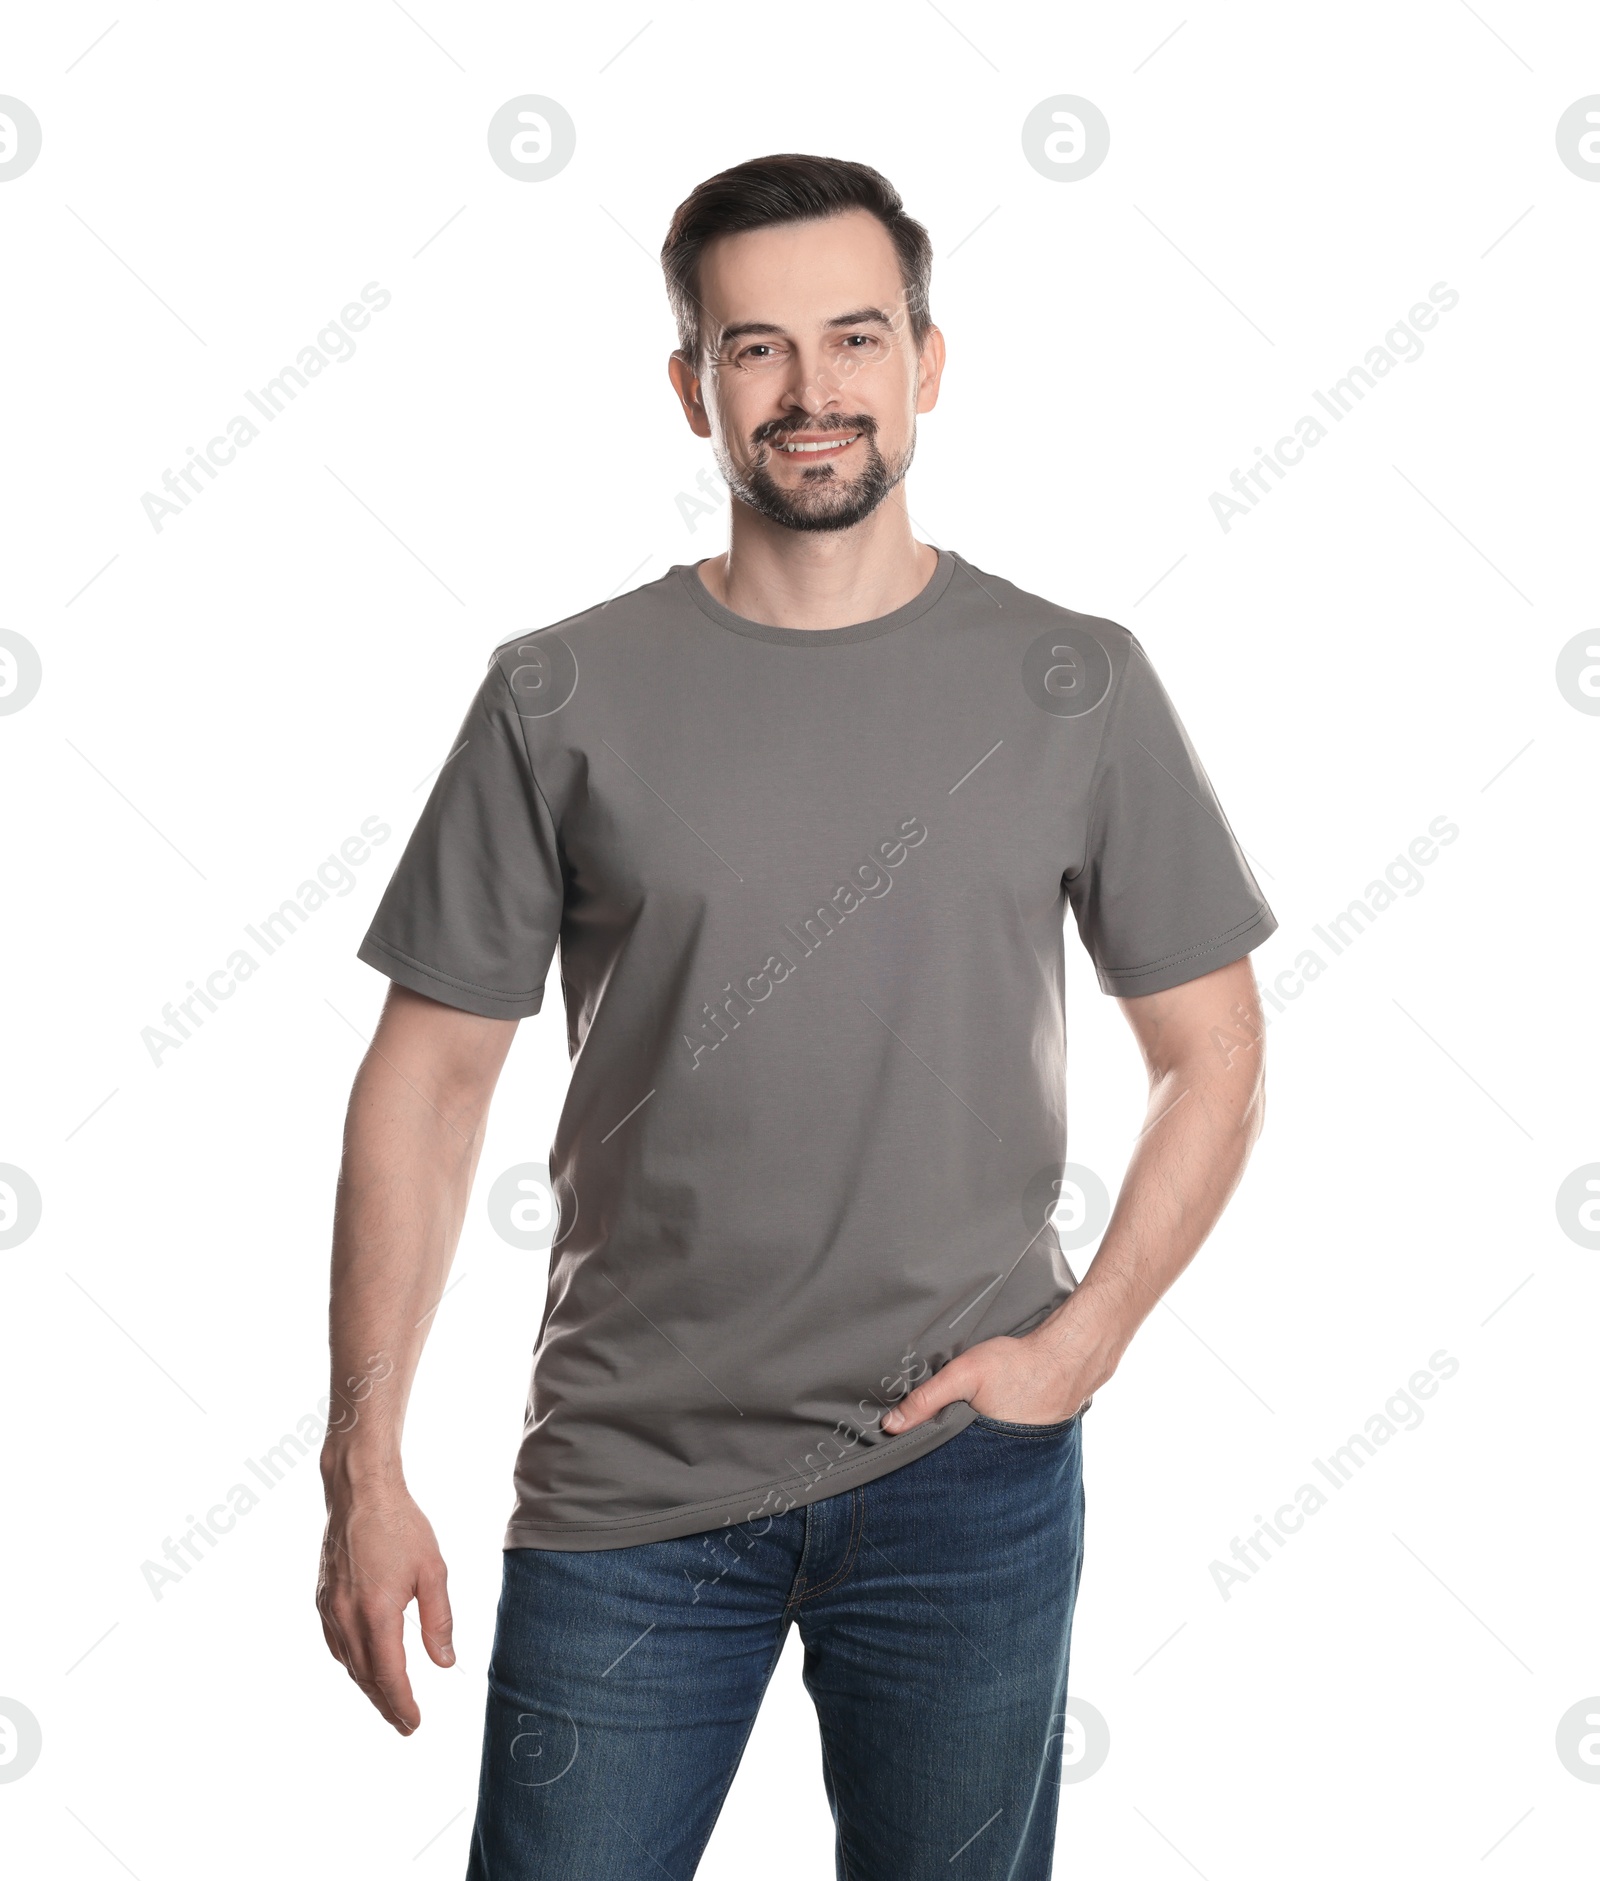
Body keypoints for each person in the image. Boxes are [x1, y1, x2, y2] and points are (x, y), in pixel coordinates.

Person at [316, 152, 1276, 1880]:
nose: (813, 391)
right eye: (756, 350)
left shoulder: (1078, 680)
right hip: (627, 1483)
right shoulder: (559, 691)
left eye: (854, 337)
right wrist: (363, 1456)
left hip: (964, 1485)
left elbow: (1213, 1048)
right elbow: (429, 1082)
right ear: (693, 385)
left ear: (927, 358)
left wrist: (1085, 1342)